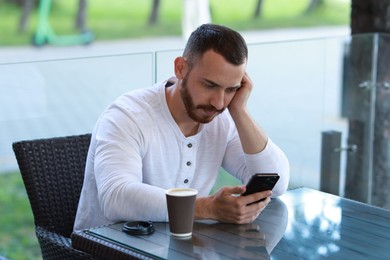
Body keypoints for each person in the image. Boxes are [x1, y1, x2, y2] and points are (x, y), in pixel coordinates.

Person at [74, 23, 289, 231]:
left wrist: (240, 111)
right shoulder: (127, 116)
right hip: (104, 250)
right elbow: (116, 198)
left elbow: (276, 185)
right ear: (180, 68)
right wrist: (207, 208)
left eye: (231, 89)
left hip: (179, 247)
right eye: (210, 85)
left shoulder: (221, 118)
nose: (219, 103)